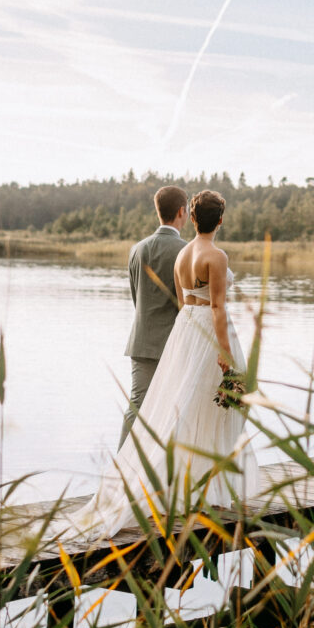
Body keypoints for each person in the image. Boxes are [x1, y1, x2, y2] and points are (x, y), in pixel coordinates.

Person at [70, 189, 259, 540]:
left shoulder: (180, 253)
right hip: (208, 335)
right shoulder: (215, 255)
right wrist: (224, 350)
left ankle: (191, 484)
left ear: (192, 215)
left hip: (182, 332)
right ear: (219, 220)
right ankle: (206, 486)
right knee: (222, 405)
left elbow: (184, 301)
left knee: (185, 407)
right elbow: (216, 306)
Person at [119, 185, 190, 448]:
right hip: (173, 344)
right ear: (182, 212)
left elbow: (136, 298)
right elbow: (186, 305)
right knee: (174, 409)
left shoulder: (137, 249)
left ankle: (121, 473)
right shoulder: (185, 251)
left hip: (141, 341)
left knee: (137, 407)